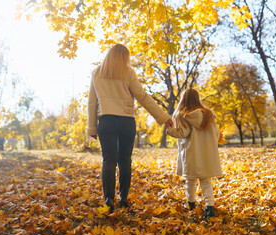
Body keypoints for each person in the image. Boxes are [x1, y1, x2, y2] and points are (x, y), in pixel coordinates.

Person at [87, 44, 173, 213]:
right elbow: (142, 96)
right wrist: (163, 116)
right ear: (123, 56)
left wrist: (92, 128)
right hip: (126, 121)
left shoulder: (96, 72)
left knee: (109, 160)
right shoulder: (128, 71)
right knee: (124, 160)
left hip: (106, 120)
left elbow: (92, 102)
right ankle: (123, 199)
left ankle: (108, 200)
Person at [166, 88, 222, 218]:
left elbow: (183, 133)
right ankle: (210, 207)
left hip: (192, 154)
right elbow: (217, 133)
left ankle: (191, 203)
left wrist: (169, 129)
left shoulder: (184, 116)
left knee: (191, 181)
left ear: (183, 100)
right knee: (206, 181)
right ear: (198, 99)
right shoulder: (208, 115)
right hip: (206, 154)